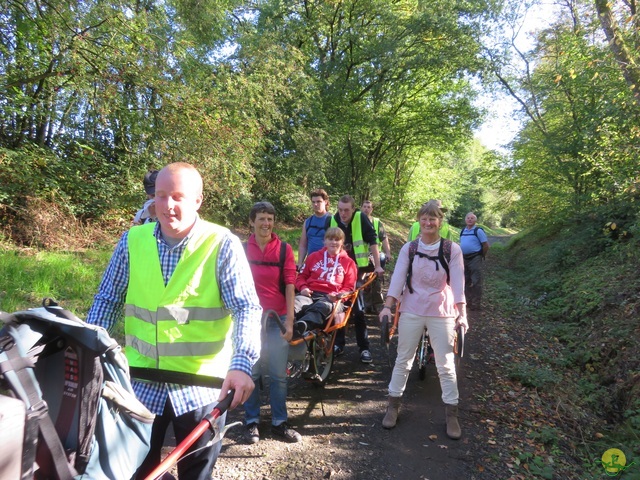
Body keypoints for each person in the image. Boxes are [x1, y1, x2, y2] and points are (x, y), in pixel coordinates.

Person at [86, 162, 262, 480]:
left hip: (203, 390)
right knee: (136, 472)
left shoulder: (222, 244)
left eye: (178, 196)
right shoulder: (132, 241)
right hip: (139, 385)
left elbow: (246, 308)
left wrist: (241, 363)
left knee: (195, 474)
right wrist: (87, 350)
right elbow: (107, 301)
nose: (167, 205)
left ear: (197, 200)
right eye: (161, 195)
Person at [379, 200, 468, 439]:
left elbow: (458, 284)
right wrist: (388, 307)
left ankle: (452, 414)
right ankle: (393, 406)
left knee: (446, 365)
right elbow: (397, 279)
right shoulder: (410, 248)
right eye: (424, 218)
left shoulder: (452, 250)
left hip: (442, 311)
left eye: (433, 219)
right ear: (419, 221)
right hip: (412, 309)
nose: (428, 223)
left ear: (440, 222)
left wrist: (462, 314)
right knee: (403, 360)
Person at [243, 201, 302, 444]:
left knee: (278, 375)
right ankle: (251, 422)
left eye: (270, 219)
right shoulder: (242, 248)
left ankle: (279, 422)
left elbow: (290, 284)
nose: (266, 223)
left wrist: (289, 321)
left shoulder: (284, 249)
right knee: (252, 373)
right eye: (261, 219)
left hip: (276, 320)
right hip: (249, 320)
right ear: (252, 222)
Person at [329, 195, 385, 363]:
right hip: (338, 271)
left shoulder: (361, 218)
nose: (343, 213)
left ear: (353, 209)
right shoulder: (333, 220)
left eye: (347, 210)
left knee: (357, 308)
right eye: (340, 210)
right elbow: (326, 244)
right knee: (338, 307)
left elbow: (373, 240)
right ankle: (338, 344)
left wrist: (377, 265)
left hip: (358, 269)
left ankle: (364, 347)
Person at [294, 227, 358, 335]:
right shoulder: (313, 257)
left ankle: (302, 326)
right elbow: (301, 276)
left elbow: (349, 287)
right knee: (295, 303)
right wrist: (303, 287)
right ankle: (284, 326)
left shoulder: (349, 263)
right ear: (324, 241)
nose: (333, 242)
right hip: (310, 293)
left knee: (321, 307)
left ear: (342, 242)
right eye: (330, 239)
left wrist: (337, 295)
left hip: (332, 298)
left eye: (337, 239)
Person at [361, 199, 392, 313]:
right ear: (361, 208)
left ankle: (377, 303)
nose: (366, 209)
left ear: (372, 209)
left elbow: (383, 238)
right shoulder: (356, 221)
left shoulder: (377, 222)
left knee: (376, 279)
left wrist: (388, 253)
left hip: (375, 255)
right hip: (360, 256)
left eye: (368, 207)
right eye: (364, 206)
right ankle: (365, 304)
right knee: (362, 280)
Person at [459, 212, 490, 311]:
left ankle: (476, 303)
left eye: (472, 218)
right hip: (463, 258)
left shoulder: (478, 231)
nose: (470, 219)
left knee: (476, 281)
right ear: (465, 220)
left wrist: (481, 255)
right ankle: (468, 302)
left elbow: (486, 245)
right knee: (465, 280)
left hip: (475, 258)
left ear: (475, 220)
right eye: (468, 218)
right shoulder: (463, 230)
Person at [298, 189, 332, 269]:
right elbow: (303, 245)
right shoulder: (308, 222)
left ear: (325, 202)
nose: (316, 204)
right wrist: (300, 263)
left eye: (319, 201)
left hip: (327, 264)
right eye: (313, 202)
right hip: (310, 263)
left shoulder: (332, 220)